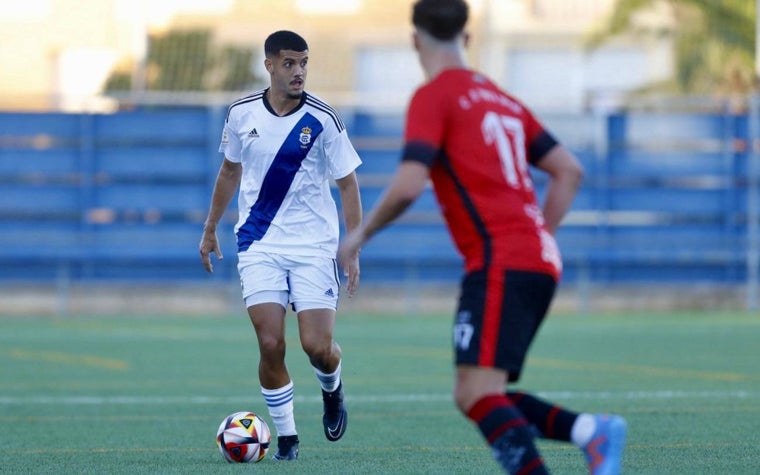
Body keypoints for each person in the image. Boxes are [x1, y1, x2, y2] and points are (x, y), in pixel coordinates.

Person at [337, 1, 626, 474]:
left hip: (500, 258)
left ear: (415, 40)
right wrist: (538, 238)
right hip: (537, 258)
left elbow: (410, 184)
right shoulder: (503, 100)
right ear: (466, 39)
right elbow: (568, 170)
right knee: (483, 391)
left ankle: (592, 434)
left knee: (474, 393)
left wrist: (359, 234)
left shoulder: (433, 97)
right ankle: (590, 433)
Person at [200, 30, 362, 461]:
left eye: (304, 63)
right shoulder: (240, 113)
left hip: (314, 246)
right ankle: (287, 438)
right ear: (269, 65)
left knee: (317, 347)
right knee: (270, 343)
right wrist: (211, 226)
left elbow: (348, 184)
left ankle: (332, 388)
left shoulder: (324, 119)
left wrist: (353, 245)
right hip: (259, 242)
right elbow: (229, 172)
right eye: (289, 63)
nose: (299, 72)